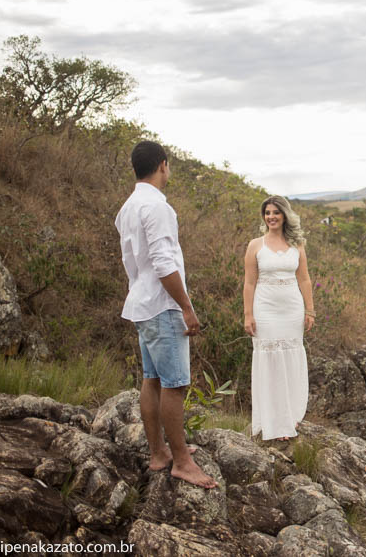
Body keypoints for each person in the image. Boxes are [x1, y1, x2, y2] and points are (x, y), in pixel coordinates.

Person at [115, 140, 216, 488]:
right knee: (175, 385)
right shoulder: (156, 207)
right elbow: (162, 263)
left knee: (152, 379)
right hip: (162, 304)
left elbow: (133, 263)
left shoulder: (128, 207)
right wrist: (186, 307)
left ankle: (160, 452)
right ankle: (182, 462)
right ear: (163, 165)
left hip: (142, 303)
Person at [243, 195, 315, 440]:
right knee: (270, 360)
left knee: (291, 358)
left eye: (275, 212)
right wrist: (248, 314)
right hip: (265, 309)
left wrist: (310, 309)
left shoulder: (297, 245)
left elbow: (304, 278)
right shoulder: (255, 245)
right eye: (267, 212)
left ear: (285, 215)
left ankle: (290, 416)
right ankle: (274, 422)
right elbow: (249, 282)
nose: (271, 216)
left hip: (292, 309)